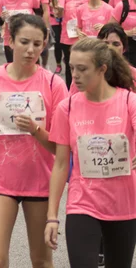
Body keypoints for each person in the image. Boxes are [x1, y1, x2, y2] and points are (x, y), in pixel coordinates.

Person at [0, 14, 68, 268]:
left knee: (41, 261)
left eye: (38, 44)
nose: (31, 50)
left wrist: (36, 129)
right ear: (10, 41)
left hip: (40, 183)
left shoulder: (54, 84)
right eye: (24, 42)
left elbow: (61, 147)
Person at [45, 38, 136, 267]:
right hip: (82, 203)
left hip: (124, 205)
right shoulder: (67, 107)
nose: (75, 75)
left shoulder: (128, 101)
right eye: (72, 68)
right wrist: (52, 216)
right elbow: (60, 164)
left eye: (82, 69)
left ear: (102, 69)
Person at [57, 0, 89, 88]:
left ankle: (85, 89)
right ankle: (70, 91)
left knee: (85, 63)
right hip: (68, 34)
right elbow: (59, 13)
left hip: (84, 33)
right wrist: (57, 10)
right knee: (70, 63)